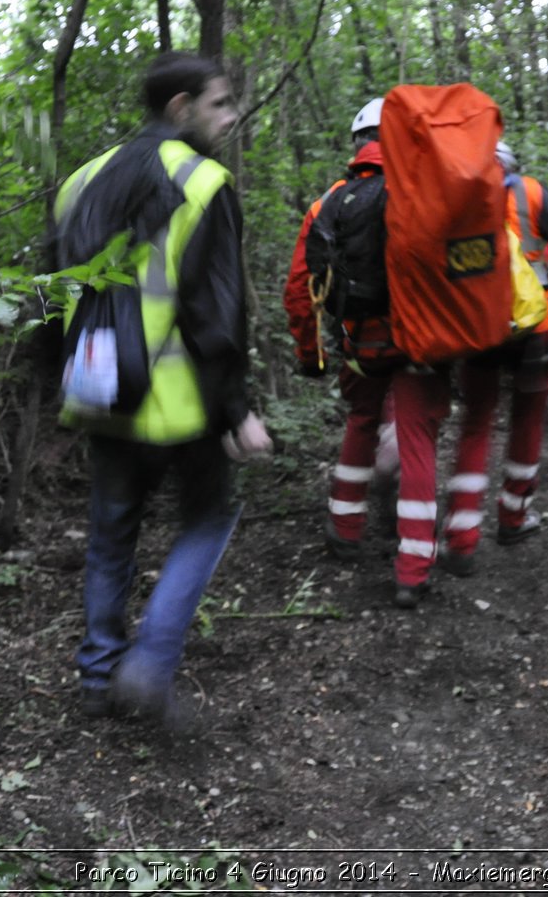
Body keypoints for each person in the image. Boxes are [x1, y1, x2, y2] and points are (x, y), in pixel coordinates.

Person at [50, 51, 272, 727]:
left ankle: (96, 677)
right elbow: (217, 311)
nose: (232, 118)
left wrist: (57, 387)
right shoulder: (204, 182)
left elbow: (48, 298)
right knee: (206, 520)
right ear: (180, 109)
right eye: (220, 104)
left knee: (110, 534)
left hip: (98, 389)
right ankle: (148, 662)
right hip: (180, 399)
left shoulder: (80, 181)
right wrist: (236, 409)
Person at [285, 98, 450, 609]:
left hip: (360, 343)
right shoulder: (424, 196)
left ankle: (345, 530)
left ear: (357, 145)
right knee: (416, 441)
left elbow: (299, 290)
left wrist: (311, 356)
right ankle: (412, 570)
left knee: (361, 421)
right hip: (420, 344)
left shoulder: (328, 204)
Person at [438, 142, 548, 573]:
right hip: (535, 326)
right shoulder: (527, 191)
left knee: (475, 424)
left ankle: (461, 536)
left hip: (477, 328)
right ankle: (514, 515)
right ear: (509, 164)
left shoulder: (454, 198)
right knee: (527, 419)